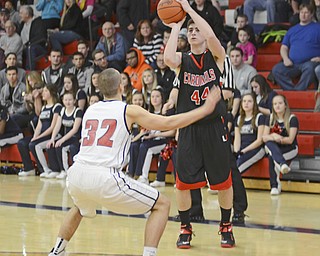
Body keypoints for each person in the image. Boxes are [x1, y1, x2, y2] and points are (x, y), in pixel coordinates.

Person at [47, 67, 223, 256]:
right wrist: (205, 109)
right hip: (105, 176)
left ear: (99, 88)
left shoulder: (90, 109)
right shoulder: (128, 110)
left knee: (79, 207)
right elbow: (168, 123)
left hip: (77, 174)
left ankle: (57, 250)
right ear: (122, 87)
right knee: (162, 204)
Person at [163, 0, 235, 248]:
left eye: (196, 30)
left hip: (214, 127)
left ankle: (226, 225)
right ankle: (185, 228)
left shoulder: (217, 56)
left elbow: (212, 35)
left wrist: (190, 10)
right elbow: (168, 58)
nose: (193, 32)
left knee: (223, 181)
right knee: (183, 183)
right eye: (190, 30)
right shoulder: (182, 61)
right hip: (189, 128)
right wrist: (176, 25)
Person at [272, 4, 320, 91]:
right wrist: (285, 59)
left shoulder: (318, 28)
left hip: (309, 63)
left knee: (310, 68)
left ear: (312, 14)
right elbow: (284, 47)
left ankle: (298, 92)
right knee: (276, 70)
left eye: (306, 12)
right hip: (292, 64)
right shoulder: (292, 30)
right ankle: (292, 91)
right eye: (301, 12)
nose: (303, 15)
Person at [262, 94, 299, 195]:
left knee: (271, 156)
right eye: (275, 104)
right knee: (269, 144)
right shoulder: (269, 118)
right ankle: (282, 164)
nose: (277, 106)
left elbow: (290, 140)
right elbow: (264, 137)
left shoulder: (292, 119)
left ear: (285, 105)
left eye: (280, 103)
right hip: (273, 147)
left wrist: (280, 139)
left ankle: (274, 186)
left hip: (289, 148)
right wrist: (273, 135)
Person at [46, 91, 83, 179]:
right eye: (65, 100)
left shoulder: (78, 111)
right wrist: (52, 138)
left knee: (60, 146)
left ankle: (66, 171)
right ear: (62, 101)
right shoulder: (62, 111)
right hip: (66, 138)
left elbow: (75, 130)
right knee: (52, 145)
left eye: (70, 100)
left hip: (75, 138)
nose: (68, 102)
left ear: (74, 101)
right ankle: (56, 169)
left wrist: (62, 139)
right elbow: (57, 126)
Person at [233, 93, 265, 174]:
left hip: (256, 149)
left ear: (254, 103)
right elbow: (237, 139)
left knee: (237, 168)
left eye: (249, 101)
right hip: (242, 150)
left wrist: (244, 151)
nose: (246, 103)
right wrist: (236, 152)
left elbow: (259, 140)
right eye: (244, 101)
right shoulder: (239, 119)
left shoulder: (259, 117)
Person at [18, 5, 47, 70]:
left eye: (21, 13)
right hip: (24, 48)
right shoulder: (22, 24)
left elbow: (41, 37)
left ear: (27, 14)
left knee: (30, 48)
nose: (19, 15)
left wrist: (28, 44)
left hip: (38, 47)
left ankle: (30, 72)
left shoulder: (38, 22)